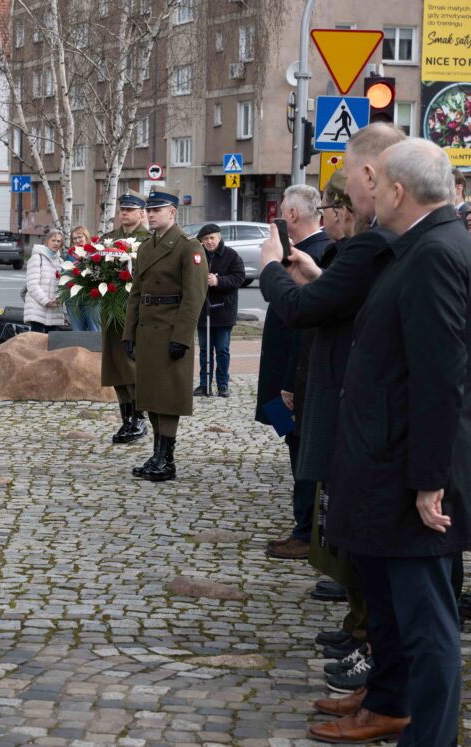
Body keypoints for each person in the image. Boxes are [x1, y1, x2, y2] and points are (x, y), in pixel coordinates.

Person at [257, 123, 410, 743]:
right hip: (366, 424)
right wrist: (316, 275)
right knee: (379, 579)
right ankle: (384, 690)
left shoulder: (384, 245)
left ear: (375, 177)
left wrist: (272, 270)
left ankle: (395, 700)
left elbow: (305, 311)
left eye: (347, 176)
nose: (341, 191)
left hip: (381, 434)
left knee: (399, 592)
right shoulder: (387, 244)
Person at [315, 138, 471, 746]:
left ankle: (429, 738)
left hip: (411, 476)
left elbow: (440, 377)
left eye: (376, 184)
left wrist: (430, 482)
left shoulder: (435, 253)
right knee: (407, 615)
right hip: (394, 462)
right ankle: (397, 710)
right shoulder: (424, 245)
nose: (370, 191)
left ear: (399, 191)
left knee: (427, 626)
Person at [259, 184, 332, 560]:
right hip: (287, 378)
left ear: (290, 215)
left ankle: (306, 531)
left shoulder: (317, 253)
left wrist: (289, 383)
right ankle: (304, 527)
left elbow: (304, 329)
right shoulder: (309, 251)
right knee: (293, 444)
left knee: (302, 451)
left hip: (295, 380)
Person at [121, 190, 207, 482]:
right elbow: (136, 294)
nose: (151, 214)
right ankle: (157, 455)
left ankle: (166, 459)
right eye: (149, 210)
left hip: (171, 330)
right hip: (147, 330)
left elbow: (194, 296)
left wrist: (182, 337)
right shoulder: (147, 246)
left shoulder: (188, 246)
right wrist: (129, 333)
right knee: (151, 395)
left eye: (157, 210)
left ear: (173, 212)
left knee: (168, 396)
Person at [103, 191, 150, 445]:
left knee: (133, 367)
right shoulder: (108, 239)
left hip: (136, 313)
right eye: (122, 209)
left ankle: (139, 418)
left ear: (141, 213)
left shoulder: (148, 240)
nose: (124, 213)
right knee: (116, 368)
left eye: (130, 210)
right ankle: (126, 419)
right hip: (112, 311)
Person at [193, 224, 244, 398]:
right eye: (205, 239)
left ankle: (223, 385)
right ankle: (204, 385)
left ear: (219, 238)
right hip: (202, 310)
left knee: (222, 350)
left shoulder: (231, 255)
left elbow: (239, 277)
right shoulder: (197, 255)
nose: (209, 242)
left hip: (224, 311)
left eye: (212, 238)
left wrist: (219, 281)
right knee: (204, 350)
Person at [23, 229, 67, 333]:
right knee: (37, 340)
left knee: (52, 341)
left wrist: (58, 299)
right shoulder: (37, 258)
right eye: (53, 240)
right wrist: (46, 301)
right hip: (37, 307)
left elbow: (62, 285)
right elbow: (32, 284)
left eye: (58, 241)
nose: (56, 243)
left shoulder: (60, 261)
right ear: (47, 241)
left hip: (54, 309)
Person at [64, 225, 99, 332]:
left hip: (92, 299)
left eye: (80, 237)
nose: (77, 240)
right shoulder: (70, 256)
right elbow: (65, 277)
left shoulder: (95, 252)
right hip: (74, 300)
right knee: (77, 332)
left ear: (86, 237)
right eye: (74, 238)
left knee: (95, 330)